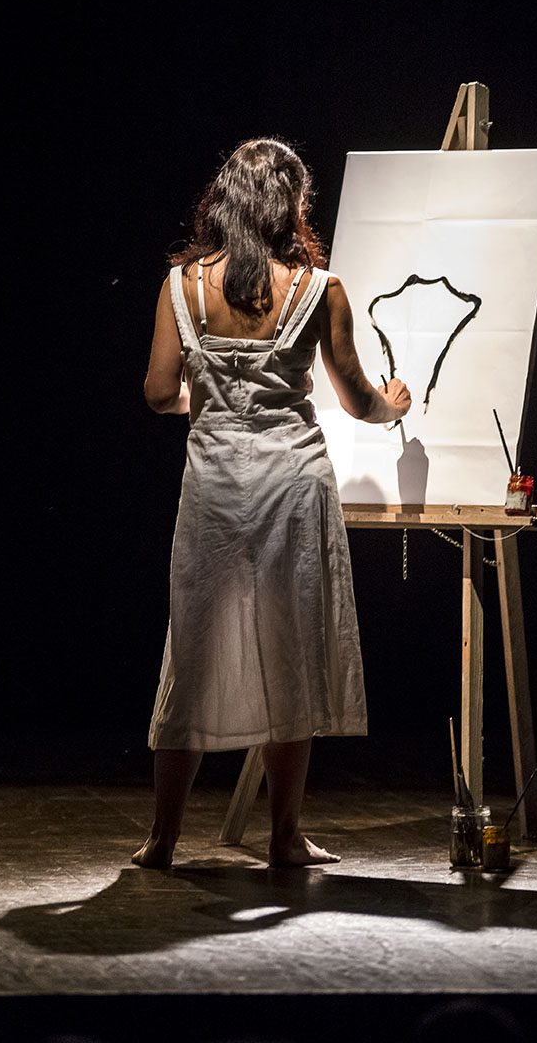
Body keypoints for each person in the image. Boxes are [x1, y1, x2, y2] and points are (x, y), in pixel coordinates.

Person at [133, 137, 411, 870]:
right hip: (291, 485)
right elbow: (358, 402)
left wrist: (209, 397)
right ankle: (283, 837)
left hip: (214, 487)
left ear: (224, 202)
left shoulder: (180, 286)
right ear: (289, 206)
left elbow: (159, 393)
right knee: (291, 650)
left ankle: (162, 839)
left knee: (192, 650)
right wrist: (392, 404)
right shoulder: (320, 289)